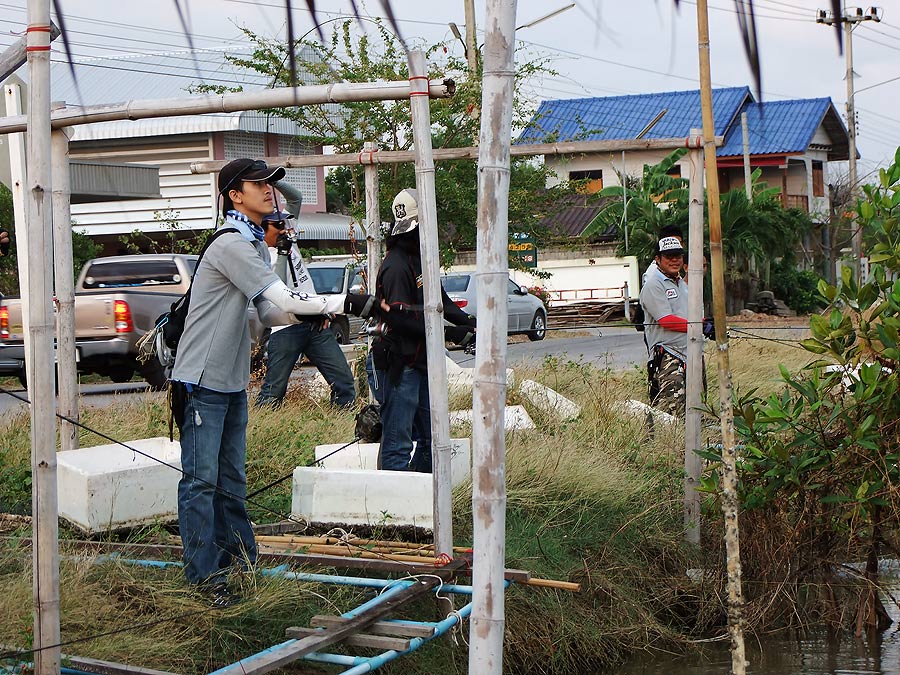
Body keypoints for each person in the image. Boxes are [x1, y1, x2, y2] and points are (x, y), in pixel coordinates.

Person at [171, 158, 381, 607]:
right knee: (201, 483)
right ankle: (205, 580)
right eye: (258, 183)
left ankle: (242, 564)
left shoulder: (252, 242)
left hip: (228, 383)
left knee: (230, 481)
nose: (269, 190)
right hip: (202, 382)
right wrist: (347, 301)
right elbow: (282, 301)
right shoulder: (231, 243)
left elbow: (272, 313)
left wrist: (319, 307)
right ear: (234, 195)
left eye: (271, 184)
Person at [374, 188, 476, 472]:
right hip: (399, 364)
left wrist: (470, 323)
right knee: (398, 446)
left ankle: (423, 502)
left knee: (432, 440)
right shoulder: (395, 266)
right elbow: (399, 318)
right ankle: (396, 512)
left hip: (420, 364)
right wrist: (447, 333)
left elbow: (440, 302)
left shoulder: (421, 260)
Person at [255, 180, 356, 408]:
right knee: (273, 391)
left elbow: (296, 198)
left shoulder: (288, 236)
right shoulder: (261, 255)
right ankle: (261, 429)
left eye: (283, 224)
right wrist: (281, 251)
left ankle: (340, 424)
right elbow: (278, 291)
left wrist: (272, 180)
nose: (283, 229)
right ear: (262, 230)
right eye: (276, 226)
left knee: (343, 382)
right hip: (286, 328)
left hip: (315, 324)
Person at [639, 235, 713, 416]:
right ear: (658, 259)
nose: (674, 260)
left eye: (678, 256)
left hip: (692, 353)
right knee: (672, 413)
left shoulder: (684, 285)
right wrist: (700, 326)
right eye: (668, 256)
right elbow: (666, 320)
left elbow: (694, 317)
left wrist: (708, 326)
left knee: (698, 410)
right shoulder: (653, 285)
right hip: (668, 356)